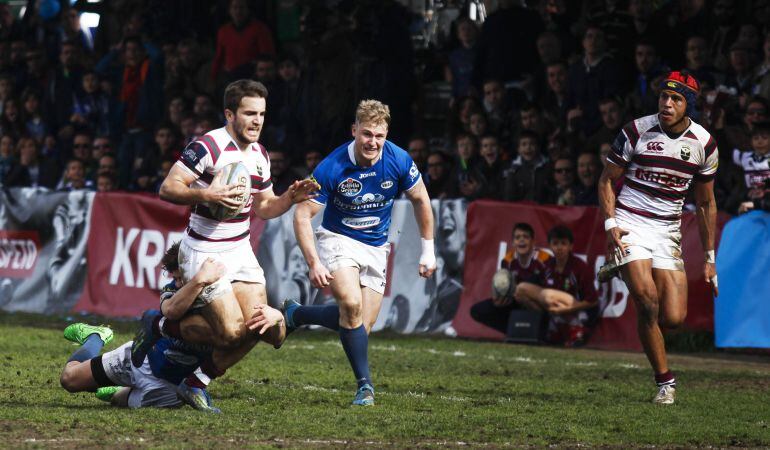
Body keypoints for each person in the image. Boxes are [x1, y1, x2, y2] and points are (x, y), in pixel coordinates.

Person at [133, 79, 317, 412]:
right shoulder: (208, 146)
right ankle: (162, 325)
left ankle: (195, 381)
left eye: (261, 113)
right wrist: (206, 194)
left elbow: (263, 207)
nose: (257, 120)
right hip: (203, 252)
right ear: (229, 114)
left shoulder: (260, 155)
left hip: (240, 250)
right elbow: (168, 188)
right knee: (232, 333)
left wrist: (290, 198)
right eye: (249, 113)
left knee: (267, 330)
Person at [274, 99, 436, 406]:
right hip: (338, 239)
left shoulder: (399, 160)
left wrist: (428, 250)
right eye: (367, 134)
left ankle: (297, 314)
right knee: (350, 304)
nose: (373, 142)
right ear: (354, 131)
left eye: (379, 135)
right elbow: (301, 215)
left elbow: (421, 200)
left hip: (375, 246)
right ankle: (365, 387)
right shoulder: (331, 167)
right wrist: (314, 262)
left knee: (360, 323)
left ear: (386, 135)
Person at [597, 71, 719, 405]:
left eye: (676, 99)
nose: (667, 103)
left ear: (688, 105)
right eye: (664, 97)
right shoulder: (636, 130)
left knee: (674, 318)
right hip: (631, 221)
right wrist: (611, 225)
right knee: (647, 300)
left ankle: (620, 271)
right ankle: (665, 383)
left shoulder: (704, 144)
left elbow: (706, 202)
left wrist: (710, 259)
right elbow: (606, 180)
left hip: (668, 230)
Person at [58, 244, 228, 410]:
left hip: (171, 389)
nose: (176, 284)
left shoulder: (222, 303)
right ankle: (96, 336)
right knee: (70, 379)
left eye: (179, 278)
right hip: (141, 361)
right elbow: (170, 311)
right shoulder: (171, 292)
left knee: (118, 399)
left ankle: (117, 390)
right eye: (174, 278)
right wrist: (199, 281)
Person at [514, 225, 598, 347]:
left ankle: (575, 328)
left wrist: (567, 309)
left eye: (563, 244)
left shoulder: (580, 267)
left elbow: (593, 301)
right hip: (552, 308)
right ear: (550, 246)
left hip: (576, 309)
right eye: (555, 243)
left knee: (547, 296)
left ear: (570, 246)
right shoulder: (547, 266)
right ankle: (552, 327)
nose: (559, 248)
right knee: (520, 292)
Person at [470, 222, 548, 334]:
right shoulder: (507, 261)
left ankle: (542, 332)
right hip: (515, 301)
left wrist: (525, 294)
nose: (521, 240)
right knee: (477, 310)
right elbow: (506, 289)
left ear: (533, 241)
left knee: (525, 289)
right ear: (512, 242)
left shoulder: (545, 259)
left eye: (526, 237)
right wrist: (500, 296)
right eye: (517, 237)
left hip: (538, 303)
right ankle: (513, 331)